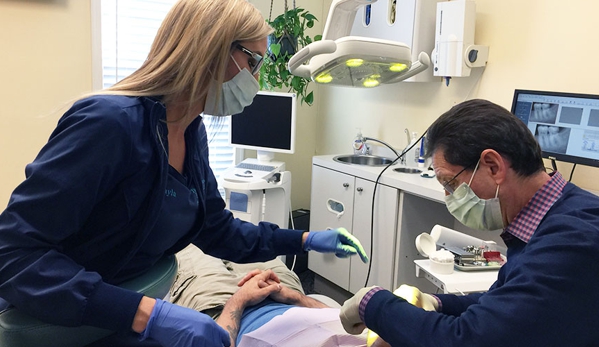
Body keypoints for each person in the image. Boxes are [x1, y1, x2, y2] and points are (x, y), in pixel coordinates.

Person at [0, 1, 368, 346]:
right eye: (253, 61)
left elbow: (217, 229)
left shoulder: (191, 133)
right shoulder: (110, 124)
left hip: (122, 312)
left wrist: (303, 239)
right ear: (210, 49)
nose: (255, 79)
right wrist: (148, 315)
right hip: (65, 320)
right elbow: (14, 253)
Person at [339, 99, 599, 346]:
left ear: (493, 166)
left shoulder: (573, 241)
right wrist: (436, 303)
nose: (449, 197)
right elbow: (504, 303)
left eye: (451, 183)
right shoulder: (554, 215)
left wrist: (372, 304)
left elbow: (468, 340)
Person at [167, 245, 373, 347]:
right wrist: (293, 297)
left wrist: (240, 299)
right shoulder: (375, 339)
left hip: (221, 308)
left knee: (190, 244)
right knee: (242, 241)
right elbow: (341, 318)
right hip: (283, 294)